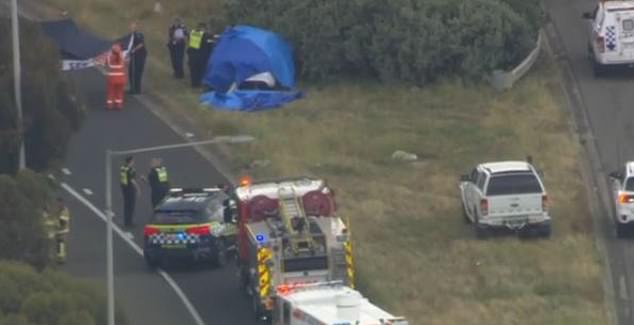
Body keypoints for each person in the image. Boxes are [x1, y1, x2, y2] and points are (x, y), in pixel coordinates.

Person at [43, 197, 71, 263]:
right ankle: (49, 257)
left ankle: (61, 259)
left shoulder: (65, 211)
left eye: (59, 203)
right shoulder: (54, 209)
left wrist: (50, 222)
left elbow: (62, 223)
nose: (57, 204)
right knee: (49, 242)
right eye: (56, 203)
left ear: (62, 203)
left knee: (60, 244)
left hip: (62, 231)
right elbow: (47, 215)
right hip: (53, 229)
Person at [120, 156, 140, 227]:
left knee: (126, 205)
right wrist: (137, 188)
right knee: (131, 206)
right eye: (133, 161)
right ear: (130, 162)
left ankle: (126, 221)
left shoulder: (123, 168)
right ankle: (129, 222)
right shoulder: (130, 169)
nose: (133, 163)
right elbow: (132, 180)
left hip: (124, 188)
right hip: (129, 189)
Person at [128, 21, 147, 95]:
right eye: (130, 26)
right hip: (133, 56)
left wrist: (134, 49)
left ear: (136, 27)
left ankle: (137, 89)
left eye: (132, 26)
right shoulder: (130, 35)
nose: (131, 28)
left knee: (137, 72)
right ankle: (132, 88)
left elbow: (141, 44)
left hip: (140, 56)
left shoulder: (139, 35)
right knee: (131, 71)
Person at [106, 43, 126, 110]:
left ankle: (110, 105)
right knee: (119, 92)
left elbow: (107, 64)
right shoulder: (122, 57)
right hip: (121, 78)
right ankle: (119, 105)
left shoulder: (109, 56)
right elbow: (124, 64)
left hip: (112, 78)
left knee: (111, 92)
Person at [187, 22, 208, 88]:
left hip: (193, 55)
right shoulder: (204, 35)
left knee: (195, 70)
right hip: (198, 56)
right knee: (198, 70)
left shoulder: (193, 33)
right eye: (203, 28)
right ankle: (196, 84)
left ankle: (195, 84)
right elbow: (208, 41)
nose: (203, 29)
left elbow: (189, 37)